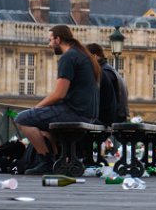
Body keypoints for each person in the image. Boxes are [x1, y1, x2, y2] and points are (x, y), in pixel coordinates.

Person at [15, 25, 100, 174]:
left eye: (50, 40)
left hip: (73, 112)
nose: (49, 44)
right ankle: (55, 161)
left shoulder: (68, 57)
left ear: (58, 39)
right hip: (88, 113)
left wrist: (36, 108)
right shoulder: (83, 55)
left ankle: (47, 162)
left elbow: (59, 94)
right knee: (43, 125)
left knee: (22, 119)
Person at [86, 43, 129, 125]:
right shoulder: (110, 70)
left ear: (94, 56)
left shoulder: (104, 73)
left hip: (111, 121)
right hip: (118, 118)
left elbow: (104, 101)